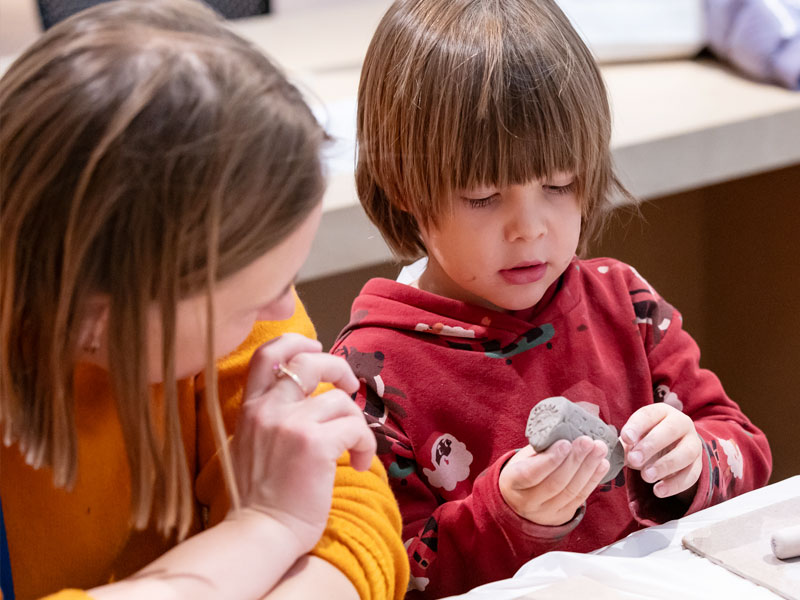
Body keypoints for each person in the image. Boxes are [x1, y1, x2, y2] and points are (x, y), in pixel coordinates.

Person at [331, 0, 773, 597]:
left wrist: (695, 462)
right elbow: (391, 576)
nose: (529, 228)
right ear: (403, 187)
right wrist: (506, 514)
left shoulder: (626, 304)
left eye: (559, 185)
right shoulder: (371, 375)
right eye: (484, 196)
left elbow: (745, 449)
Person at [0, 1, 408, 598]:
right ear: (94, 316)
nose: (280, 312)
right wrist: (265, 528)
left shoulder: (211, 272)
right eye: (251, 303)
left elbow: (355, 518)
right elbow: (305, 525)